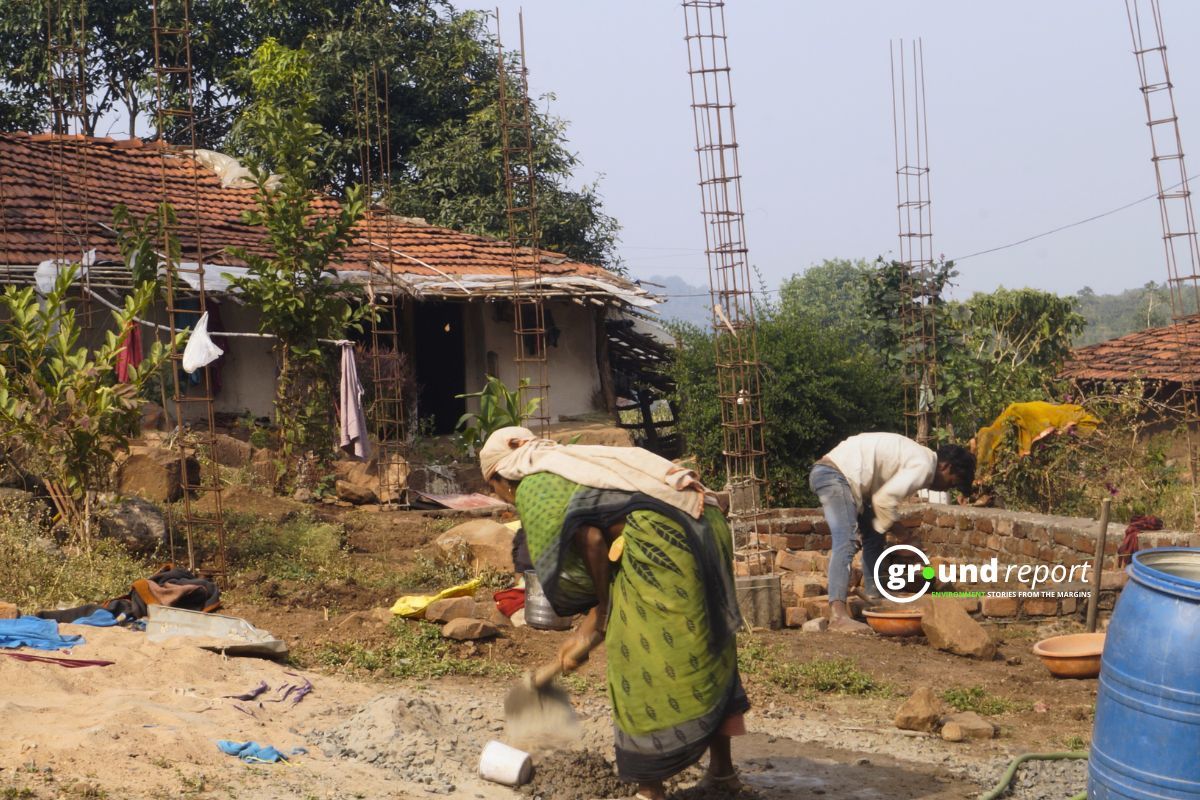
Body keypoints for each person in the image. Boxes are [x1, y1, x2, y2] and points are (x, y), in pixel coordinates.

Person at [480, 427, 749, 800]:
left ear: (500, 476)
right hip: (704, 523)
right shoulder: (574, 462)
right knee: (708, 638)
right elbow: (602, 539)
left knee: (636, 652)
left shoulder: (535, 484)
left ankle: (649, 788)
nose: (503, 497)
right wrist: (592, 625)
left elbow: (591, 540)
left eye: (493, 487)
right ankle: (722, 774)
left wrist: (603, 614)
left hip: (662, 533)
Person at [809, 432, 975, 634]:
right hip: (834, 475)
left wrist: (900, 534)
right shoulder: (923, 466)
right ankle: (838, 615)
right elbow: (883, 502)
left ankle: (874, 596)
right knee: (846, 539)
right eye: (951, 483)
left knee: (873, 533)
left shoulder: (919, 459)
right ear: (945, 467)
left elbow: (881, 501)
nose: (946, 489)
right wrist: (905, 536)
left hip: (844, 478)